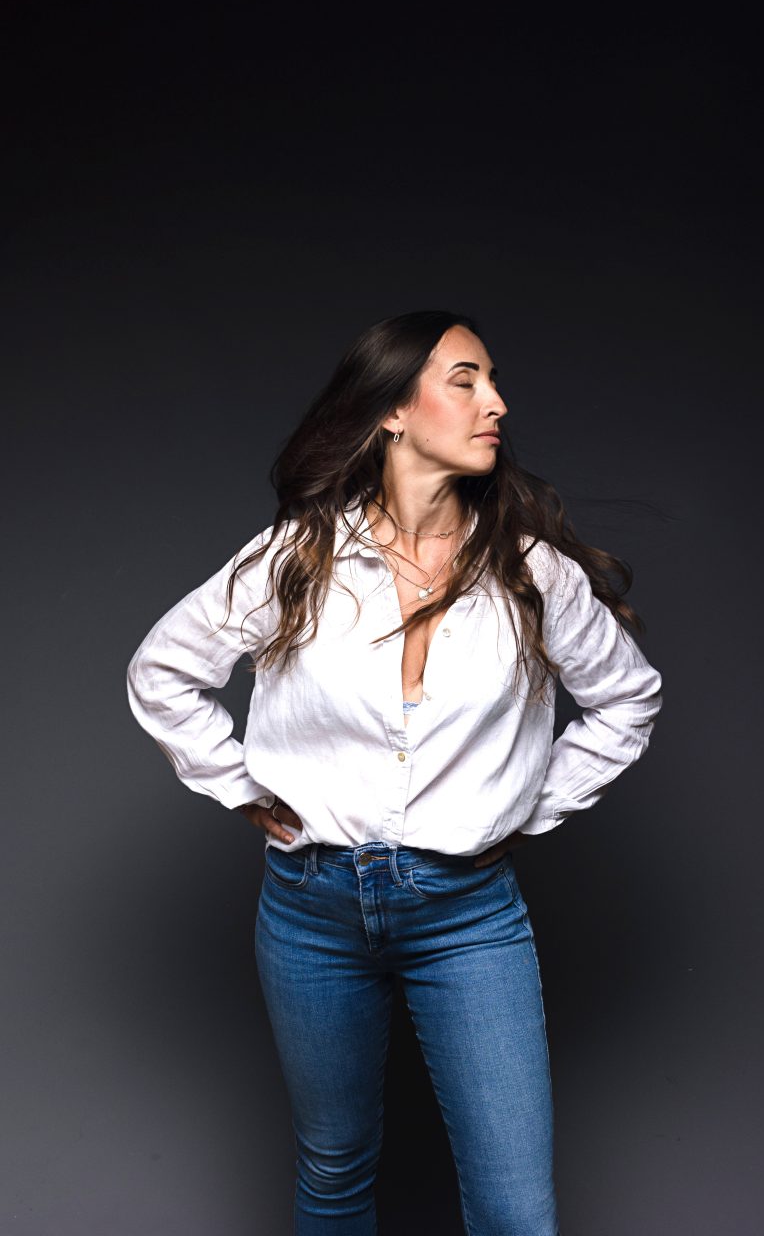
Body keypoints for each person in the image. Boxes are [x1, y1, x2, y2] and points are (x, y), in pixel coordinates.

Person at [126, 309, 663, 1235]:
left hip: (467, 916)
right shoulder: (299, 556)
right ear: (390, 411)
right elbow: (162, 671)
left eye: (492, 379)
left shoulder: (531, 573)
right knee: (334, 1168)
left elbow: (627, 698)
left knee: (515, 1207)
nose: (496, 403)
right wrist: (239, 786)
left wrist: (525, 805)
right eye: (465, 380)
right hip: (310, 910)